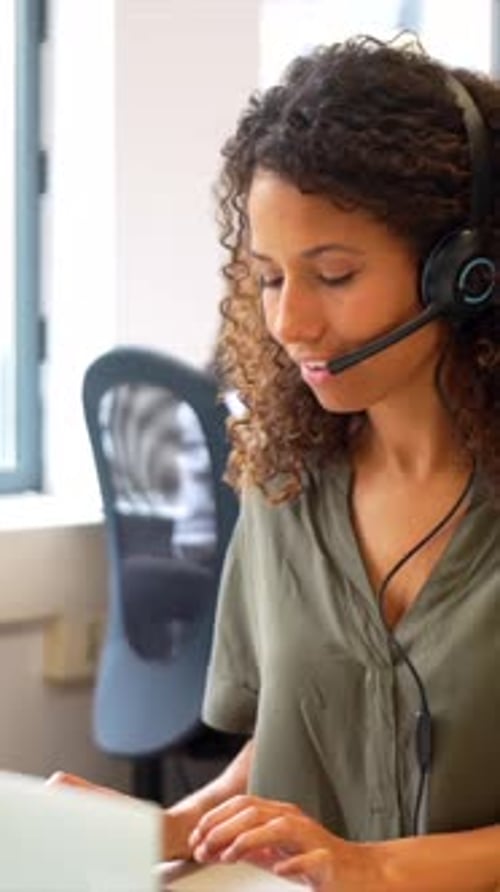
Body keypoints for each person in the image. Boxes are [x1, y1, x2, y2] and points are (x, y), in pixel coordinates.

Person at [56, 35, 500, 890]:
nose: (289, 322)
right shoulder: (285, 482)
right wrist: (177, 827)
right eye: (267, 278)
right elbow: (305, 736)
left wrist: (375, 868)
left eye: (332, 274)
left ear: (464, 274)